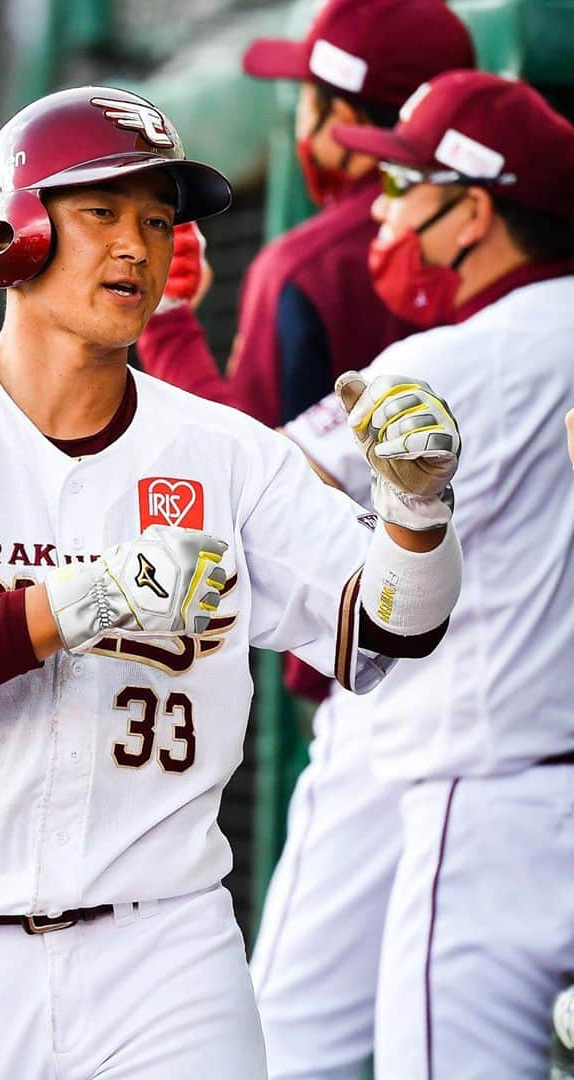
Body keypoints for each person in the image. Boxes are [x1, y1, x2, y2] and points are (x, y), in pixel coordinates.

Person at [0, 85, 466, 1079]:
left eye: (158, 221)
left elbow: (382, 637)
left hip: (165, 955)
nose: (137, 246)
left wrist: (416, 517)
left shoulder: (224, 452)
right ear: (15, 227)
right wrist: (93, 595)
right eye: (101, 212)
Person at [281, 70, 574, 1077]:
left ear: (475, 213)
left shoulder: (445, 362)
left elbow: (252, 492)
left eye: (410, 188)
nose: (389, 207)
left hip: (484, 797)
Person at [140, 0, 474, 711]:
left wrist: (166, 327)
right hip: (519, 655)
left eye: (308, 98)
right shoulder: (500, 253)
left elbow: (242, 473)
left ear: (343, 120)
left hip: (368, 651)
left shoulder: (304, 265)